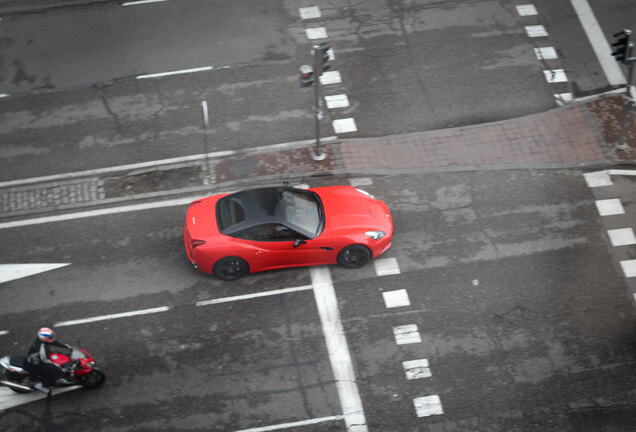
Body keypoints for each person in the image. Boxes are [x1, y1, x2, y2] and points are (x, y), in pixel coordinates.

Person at [26, 327, 71, 394]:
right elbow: (44, 360)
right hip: (37, 363)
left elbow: (54, 342)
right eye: (50, 336)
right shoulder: (41, 348)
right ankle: (42, 385)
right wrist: (57, 366)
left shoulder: (42, 340)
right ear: (45, 338)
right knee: (57, 371)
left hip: (39, 357)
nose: (52, 337)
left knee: (58, 355)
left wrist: (66, 346)